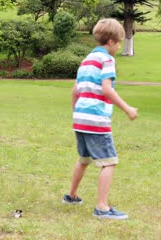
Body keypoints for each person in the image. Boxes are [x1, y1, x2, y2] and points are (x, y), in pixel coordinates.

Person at [62, 18, 138, 219]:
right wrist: (127, 108)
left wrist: (77, 114)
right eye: (119, 42)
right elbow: (106, 89)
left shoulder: (86, 60)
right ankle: (102, 207)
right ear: (112, 42)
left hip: (80, 118)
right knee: (109, 162)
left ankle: (71, 196)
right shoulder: (107, 60)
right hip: (96, 119)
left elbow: (74, 91)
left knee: (84, 159)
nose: (119, 47)